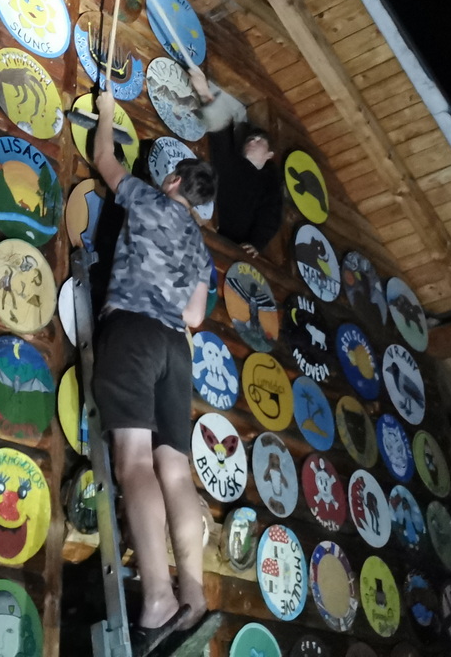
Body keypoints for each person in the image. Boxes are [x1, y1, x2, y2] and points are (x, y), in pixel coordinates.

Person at [89, 87, 216, 645]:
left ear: (172, 182)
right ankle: (194, 595)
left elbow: (104, 158)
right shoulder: (202, 249)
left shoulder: (149, 200)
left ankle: (159, 598)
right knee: (176, 472)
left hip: (135, 333)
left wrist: (106, 113)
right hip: (175, 350)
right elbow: (194, 316)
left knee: (135, 463)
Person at [185, 65, 281, 257]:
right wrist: (205, 92)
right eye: (251, 138)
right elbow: (221, 130)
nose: (253, 141)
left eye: (259, 140)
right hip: (198, 229)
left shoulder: (269, 184)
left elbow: (270, 217)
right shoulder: (230, 159)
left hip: (228, 250)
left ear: (270, 155)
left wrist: (256, 244)